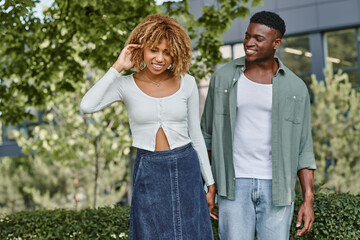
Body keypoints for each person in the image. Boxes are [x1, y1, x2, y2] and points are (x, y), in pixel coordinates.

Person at [80, 14, 216, 239]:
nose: (160, 58)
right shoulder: (124, 85)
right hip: (149, 167)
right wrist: (117, 67)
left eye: (167, 52)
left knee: (192, 232)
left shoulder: (188, 82)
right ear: (141, 48)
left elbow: (196, 135)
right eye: (154, 50)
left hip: (186, 167)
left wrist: (209, 182)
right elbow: (87, 105)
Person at [201, 11, 316, 240]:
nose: (249, 43)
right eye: (247, 36)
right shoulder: (223, 78)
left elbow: (304, 147)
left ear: (276, 44)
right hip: (233, 187)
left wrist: (308, 199)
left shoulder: (296, 88)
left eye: (258, 39)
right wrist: (208, 186)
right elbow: (207, 136)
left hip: (278, 188)